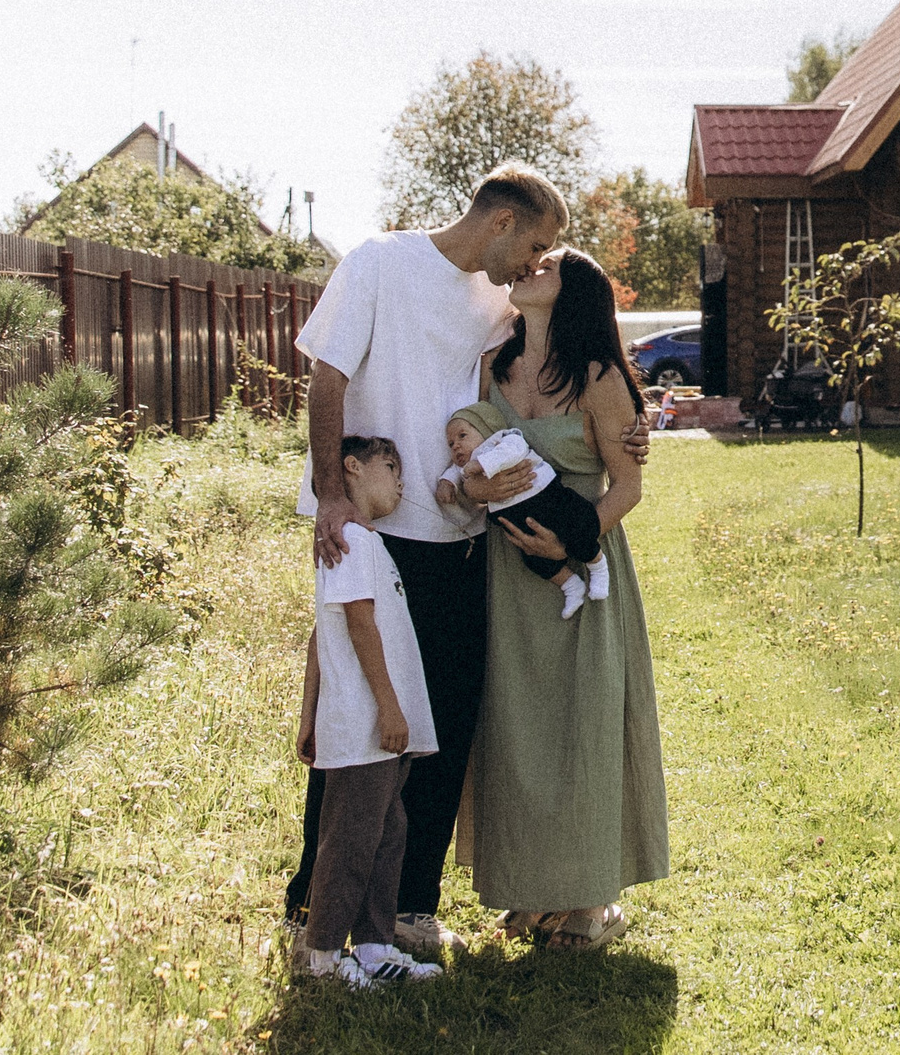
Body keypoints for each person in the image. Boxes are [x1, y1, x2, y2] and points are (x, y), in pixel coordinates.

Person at [284, 163, 651, 954]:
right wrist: (332, 495)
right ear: (502, 222)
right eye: (537, 244)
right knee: (357, 719)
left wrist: (629, 426)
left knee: (444, 725)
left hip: (464, 536)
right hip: (374, 531)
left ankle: (410, 906)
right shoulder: (379, 263)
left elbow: (567, 364)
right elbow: (326, 378)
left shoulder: (498, 300)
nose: (535, 263)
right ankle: (313, 902)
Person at [464, 247, 669, 951]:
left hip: (583, 566)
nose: (530, 266)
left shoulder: (598, 377)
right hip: (506, 573)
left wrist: (569, 543)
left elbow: (628, 487)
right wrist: (475, 489)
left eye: (547, 262)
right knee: (517, 730)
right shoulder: (493, 367)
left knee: (582, 729)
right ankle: (531, 888)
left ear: (576, 289)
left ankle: (590, 901)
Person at [293, 437, 443, 988]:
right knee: (351, 841)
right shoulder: (349, 539)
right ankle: (322, 956)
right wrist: (389, 709)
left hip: (377, 728)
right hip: (366, 724)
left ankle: (375, 948)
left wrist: (307, 715)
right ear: (351, 468)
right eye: (390, 466)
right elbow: (355, 624)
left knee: (388, 832)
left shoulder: (367, 542)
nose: (401, 480)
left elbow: (320, 634)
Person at [440, 416, 608, 619]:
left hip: (546, 497)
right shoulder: (465, 465)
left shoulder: (502, 440)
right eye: (451, 443)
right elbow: (454, 472)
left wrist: (482, 464)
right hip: (519, 518)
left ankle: (597, 566)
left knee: (577, 528)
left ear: (485, 428)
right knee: (533, 559)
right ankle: (571, 586)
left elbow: (514, 451)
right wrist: (446, 483)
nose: (456, 446)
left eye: (462, 435)